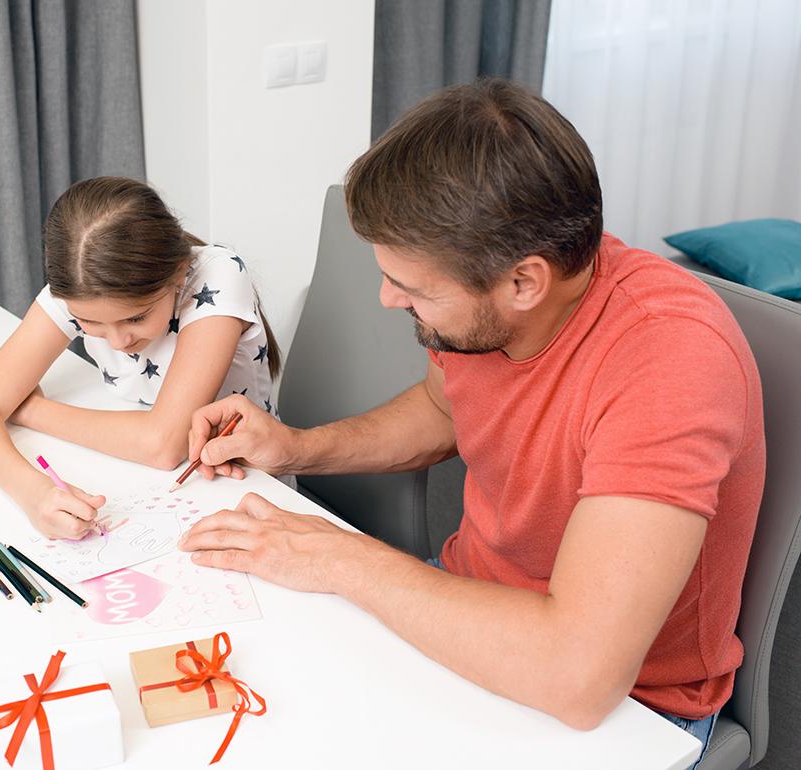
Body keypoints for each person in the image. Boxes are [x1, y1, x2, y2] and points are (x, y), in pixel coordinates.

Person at [178, 79, 764, 768]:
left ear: (524, 282)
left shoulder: (669, 361)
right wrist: (295, 448)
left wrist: (339, 558)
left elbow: (578, 676)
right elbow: (443, 410)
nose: (387, 299)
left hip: (626, 704)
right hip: (464, 597)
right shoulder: (483, 315)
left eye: (414, 288)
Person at [0, 176, 281, 539]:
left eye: (136, 318)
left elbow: (162, 445)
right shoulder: (80, 290)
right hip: (162, 481)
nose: (118, 341)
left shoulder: (217, 275)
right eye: (90, 323)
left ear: (177, 273)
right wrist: (33, 494)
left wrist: (30, 410)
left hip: (256, 490)